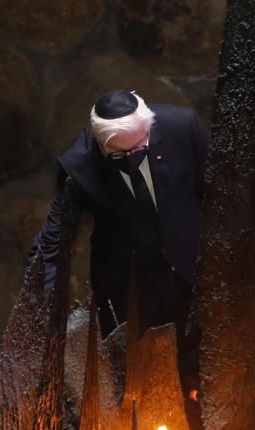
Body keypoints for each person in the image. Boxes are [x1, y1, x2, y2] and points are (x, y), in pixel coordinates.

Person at [31, 90, 208, 411]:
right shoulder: (76, 163)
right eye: (118, 154)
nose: (131, 158)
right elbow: (54, 238)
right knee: (138, 379)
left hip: (190, 263)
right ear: (100, 144)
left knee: (199, 364)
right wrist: (40, 303)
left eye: (140, 147)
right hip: (127, 280)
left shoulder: (182, 127)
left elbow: (220, 193)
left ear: (150, 127)